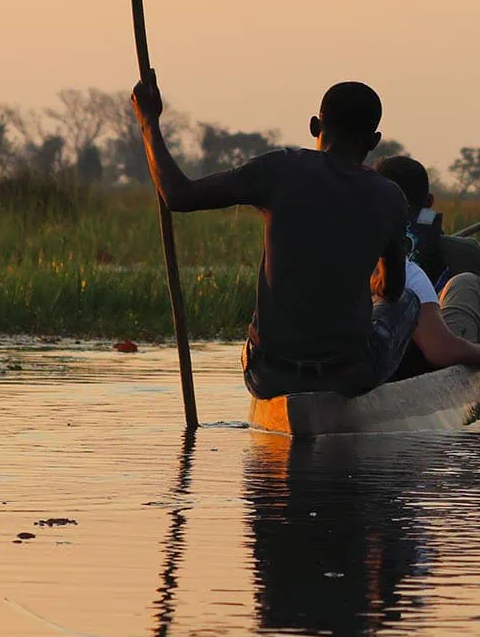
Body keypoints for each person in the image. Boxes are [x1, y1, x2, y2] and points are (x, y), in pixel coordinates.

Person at [132, 77, 415, 399]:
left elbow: (178, 195)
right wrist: (369, 282)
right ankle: (384, 396)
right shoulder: (390, 196)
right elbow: (392, 289)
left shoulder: (280, 168)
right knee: (408, 302)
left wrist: (148, 122)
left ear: (315, 126)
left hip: (268, 375)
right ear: (374, 141)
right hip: (346, 375)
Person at [375, 155, 480, 343]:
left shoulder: (354, 245)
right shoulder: (467, 251)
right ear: (429, 202)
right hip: (436, 346)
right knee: (468, 283)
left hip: (382, 342)